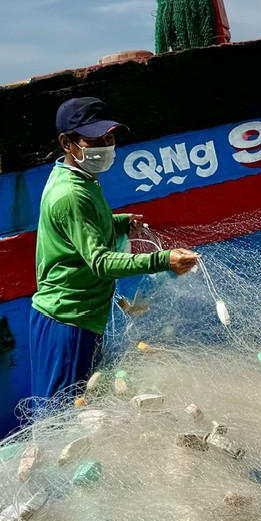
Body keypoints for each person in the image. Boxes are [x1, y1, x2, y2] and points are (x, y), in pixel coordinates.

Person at [29, 96, 200, 406]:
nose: (105, 146)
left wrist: (117, 223)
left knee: (86, 405)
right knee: (61, 416)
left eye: (109, 137)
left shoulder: (79, 178)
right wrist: (163, 259)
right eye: (95, 139)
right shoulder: (70, 194)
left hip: (83, 317)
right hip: (67, 321)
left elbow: (81, 228)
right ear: (67, 143)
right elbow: (101, 262)